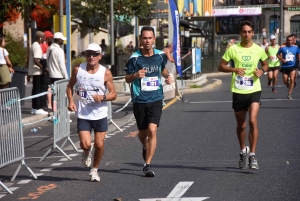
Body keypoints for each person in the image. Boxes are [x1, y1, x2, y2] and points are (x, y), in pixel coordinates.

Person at [218, 20, 268, 170]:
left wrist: (262, 70)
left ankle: (252, 155)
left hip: (254, 89)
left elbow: (265, 64)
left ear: (253, 33)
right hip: (239, 90)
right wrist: (234, 70)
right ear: (240, 33)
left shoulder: (258, 49)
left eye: (249, 32)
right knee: (242, 125)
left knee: (253, 121)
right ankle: (242, 151)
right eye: (244, 31)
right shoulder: (233, 49)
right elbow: (221, 66)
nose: (246, 34)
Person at [124, 26, 172, 177]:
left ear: (154, 39)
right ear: (141, 40)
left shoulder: (160, 55)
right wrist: (135, 75)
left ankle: (147, 165)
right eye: (144, 38)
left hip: (156, 97)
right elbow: (126, 78)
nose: (147, 41)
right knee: (142, 133)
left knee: (152, 130)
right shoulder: (134, 58)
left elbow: (162, 69)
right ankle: (145, 145)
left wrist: (167, 76)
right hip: (139, 99)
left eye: (150, 38)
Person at [66, 43, 117, 182]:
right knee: (86, 144)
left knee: (99, 144)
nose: (91, 57)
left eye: (95, 54)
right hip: (83, 113)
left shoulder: (105, 73)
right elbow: (69, 86)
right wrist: (70, 101)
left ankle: (94, 170)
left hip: (100, 113)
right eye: (89, 54)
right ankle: (86, 152)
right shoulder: (78, 69)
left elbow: (113, 94)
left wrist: (103, 97)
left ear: (100, 56)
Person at [28, 31, 48, 115]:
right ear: (40, 38)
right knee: (38, 90)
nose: (44, 39)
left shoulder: (33, 44)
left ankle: (34, 107)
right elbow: (36, 59)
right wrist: (43, 68)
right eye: (43, 37)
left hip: (35, 71)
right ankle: (38, 107)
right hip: (37, 71)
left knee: (35, 89)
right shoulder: (36, 45)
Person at [276, 35, 299, 99]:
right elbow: (277, 54)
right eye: (288, 40)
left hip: (292, 66)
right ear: (286, 41)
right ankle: (288, 83)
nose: (289, 41)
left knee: (292, 79)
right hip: (285, 66)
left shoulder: (296, 47)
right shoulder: (283, 48)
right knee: (285, 81)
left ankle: (289, 94)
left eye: (291, 40)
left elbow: (298, 54)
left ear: (293, 41)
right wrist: (282, 59)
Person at [41, 30, 54, 111]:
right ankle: (48, 104)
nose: (51, 39)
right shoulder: (45, 46)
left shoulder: (44, 46)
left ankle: (48, 104)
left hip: (46, 69)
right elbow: (44, 58)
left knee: (47, 87)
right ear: (47, 38)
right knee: (48, 87)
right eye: (51, 38)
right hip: (46, 69)